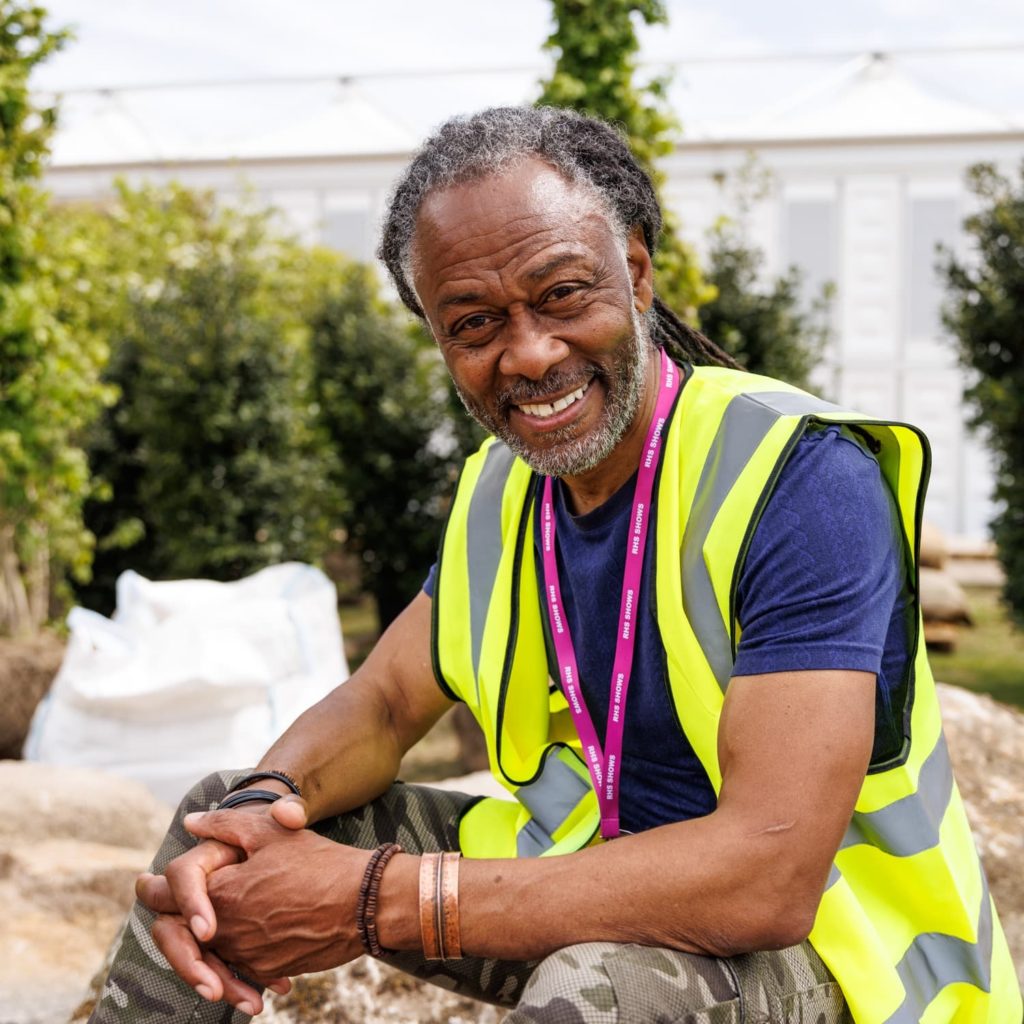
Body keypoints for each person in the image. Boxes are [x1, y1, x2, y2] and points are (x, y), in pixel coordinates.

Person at [88, 107, 1021, 1024]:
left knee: (604, 982)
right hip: (594, 879)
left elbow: (768, 878)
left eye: (564, 293)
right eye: (474, 323)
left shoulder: (801, 478)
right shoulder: (503, 490)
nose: (529, 353)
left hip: (824, 950)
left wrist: (375, 897)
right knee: (226, 825)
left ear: (640, 273)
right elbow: (381, 704)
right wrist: (263, 808)